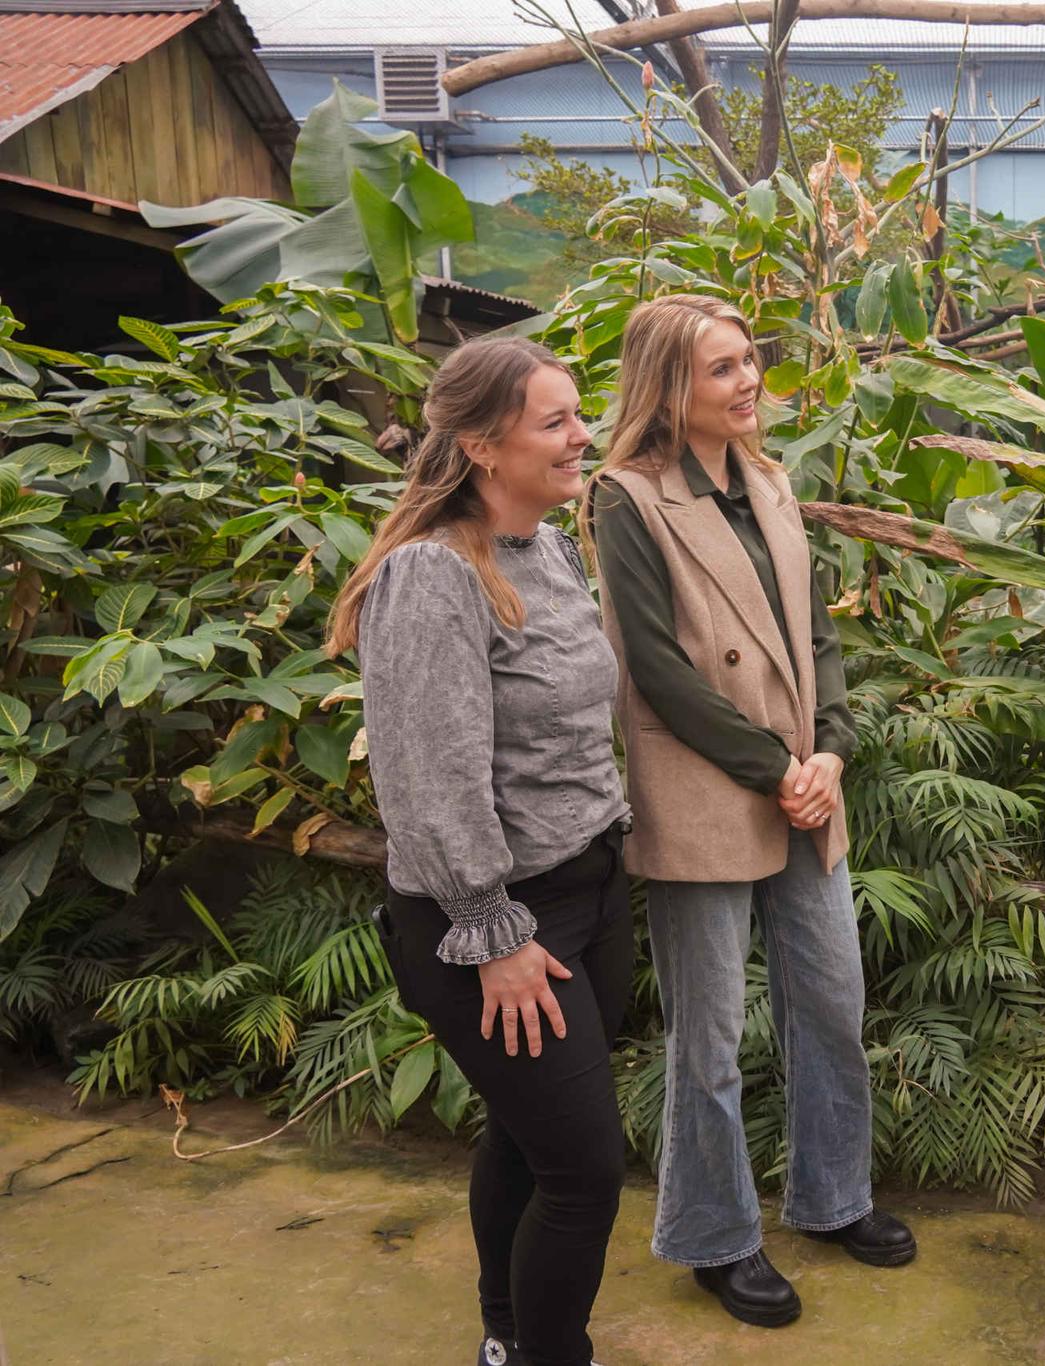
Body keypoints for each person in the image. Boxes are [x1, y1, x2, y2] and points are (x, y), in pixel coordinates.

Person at [584, 293, 914, 1329]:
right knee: (709, 1037)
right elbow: (657, 672)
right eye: (721, 368)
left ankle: (831, 1197)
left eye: (748, 361)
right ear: (668, 389)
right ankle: (715, 1234)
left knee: (830, 1004)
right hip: (706, 788)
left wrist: (831, 749)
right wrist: (775, 765)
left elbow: (818, 640)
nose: (748, 381)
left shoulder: (770, 483)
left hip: (805, 784)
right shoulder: (625, 498)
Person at [328, 338, 631, 1366]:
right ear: (481, 446)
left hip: (591, 888)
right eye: (554, 420)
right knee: (586, 1172)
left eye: (576, 413)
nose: (582, 433)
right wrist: (491, 928)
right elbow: (424, 778)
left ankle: (504, 1337)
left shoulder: (543, 545)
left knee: (527, 1135)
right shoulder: (432, 573)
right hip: (497, 922)